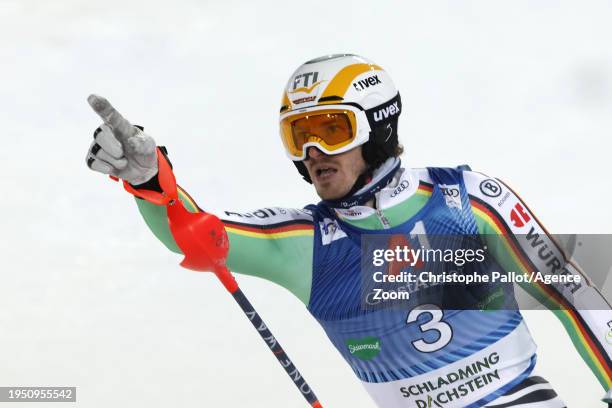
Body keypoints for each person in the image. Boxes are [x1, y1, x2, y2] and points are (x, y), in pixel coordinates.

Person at [86, 54, 611, 407]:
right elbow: (198, 234)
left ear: (379, 128)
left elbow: (575, 293)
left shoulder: (470, 199)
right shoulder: (304, 244)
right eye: (299, 135)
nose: (313, 153)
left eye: (331, 129)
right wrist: (153, 180)